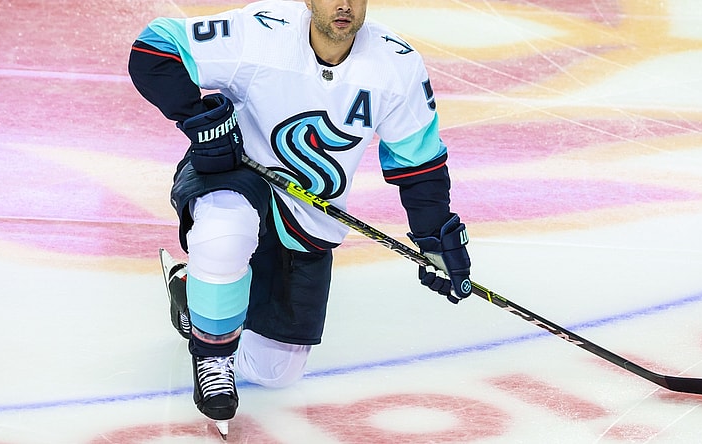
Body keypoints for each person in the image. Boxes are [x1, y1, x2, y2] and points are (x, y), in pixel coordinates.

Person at [128, 0, 472, 435]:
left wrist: (434, 240)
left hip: (308, 213)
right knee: (223, 234)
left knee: (276, 373)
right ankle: (212, 352)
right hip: (237, 173)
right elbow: (153, 49)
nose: (344, 5)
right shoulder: (259, 33)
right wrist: (197, 118)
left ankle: (193, 292)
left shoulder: (396, 64)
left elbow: (419, 165)